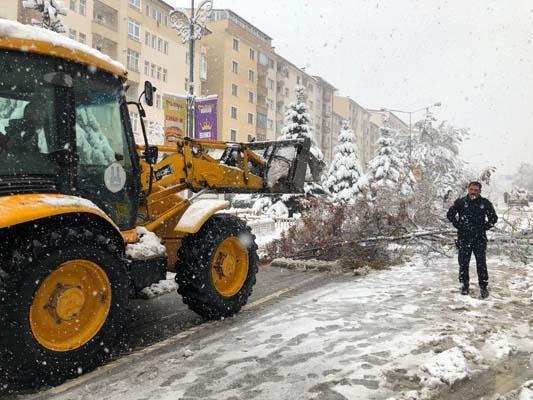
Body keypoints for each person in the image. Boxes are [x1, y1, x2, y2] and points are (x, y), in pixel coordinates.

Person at [447, 181, 498, 298]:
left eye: (476, 190)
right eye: (471, 189)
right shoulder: (460, 202)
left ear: (480, 191)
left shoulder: (485, 203)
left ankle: (483, 287)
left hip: (479, 238)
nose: (473, 192)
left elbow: (493, 218)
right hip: (464, 238)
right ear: (468, 189)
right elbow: (450, 214)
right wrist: (458, 225)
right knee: (463, 263)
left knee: (481, 264)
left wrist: (484, 227)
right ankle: (464, 286)